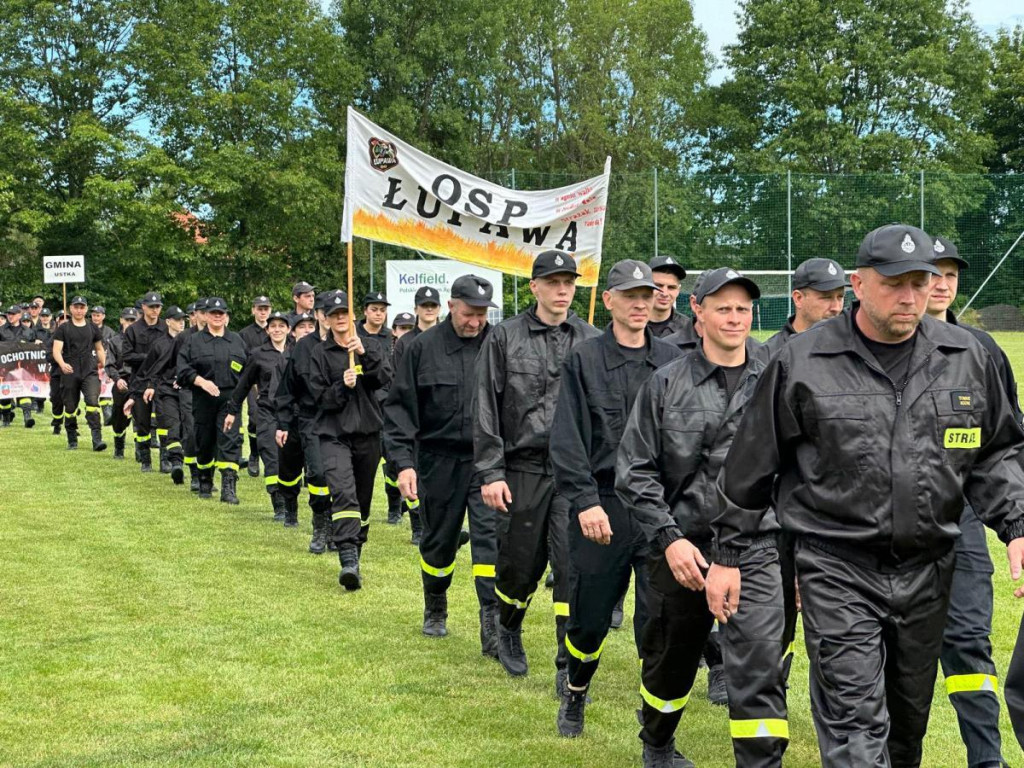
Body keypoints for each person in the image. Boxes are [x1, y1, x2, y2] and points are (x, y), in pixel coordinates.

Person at [712, 224, 1024, 768]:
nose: (910, 297)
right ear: (858, 282)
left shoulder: (966, 355)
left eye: (921, 283)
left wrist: (1018, 524)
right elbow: (752, 465)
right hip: (836, 565)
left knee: (905, 731)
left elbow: (996, 453)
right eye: (894, 283)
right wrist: (728, 555)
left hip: (929, 567)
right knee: (857, 729)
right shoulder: (802, 361)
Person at [617, 268, 788, 768]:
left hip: (757, 548)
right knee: (671, 663)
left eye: (742, 309)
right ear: (699, 311)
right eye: (723, 308)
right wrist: (669, 539)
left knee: (760, 668)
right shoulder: (666, 383)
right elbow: (635, 471)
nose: (735, 318)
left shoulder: (777, 375)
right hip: (683, 549)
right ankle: (658, 743)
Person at [550, 260, 681, 738]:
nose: (641, 304)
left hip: (657, 510)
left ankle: (654, 730)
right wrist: (585, 502)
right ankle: (576, 688)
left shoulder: (671, 358)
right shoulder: (583, 360)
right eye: (630, 296)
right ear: (609, 301)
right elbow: (566, 439)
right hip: (602, 504)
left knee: (660, 622)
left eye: (647, 295)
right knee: (589, 620)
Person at [475, 250, 600, 683]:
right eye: (553, 282)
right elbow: (486, 407)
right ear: (534, 287)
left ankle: (568, 659)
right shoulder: (505, 337)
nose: (562, 290)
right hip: (521, 470)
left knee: (572, 568)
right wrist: (490, 472)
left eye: (569, 283)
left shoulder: (590, 338)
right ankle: (507, 626)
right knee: (519, 565)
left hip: (573, 474)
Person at [924, 236, 1019, 768]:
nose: (940, 284)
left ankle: (987, 759)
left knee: (967, 641)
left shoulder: (982, 349)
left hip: (961, 521)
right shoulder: (880, 347)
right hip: (885, 523)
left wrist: (1015, 520)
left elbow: (1006, 442)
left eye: (949, 274)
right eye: (930, 273)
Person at [384, 275, 498, 646]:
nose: (475, 322)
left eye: (482, 315)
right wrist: (403, 463)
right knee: (438, 542)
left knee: (491, 543)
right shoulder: (421, 348)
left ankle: (491, 623)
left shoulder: (498, 346)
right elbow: (400, 410)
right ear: (451, 306)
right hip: (437, 460)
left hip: (488, 464)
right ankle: (435, 605)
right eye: (469, 313)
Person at [309, 290, 390, 590]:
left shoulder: (369, 346)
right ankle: (347, 558)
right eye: (334, 314)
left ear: (352, 316)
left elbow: (384, 379)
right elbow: (320, 398)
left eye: (345, 313)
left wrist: (365, 357)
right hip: (334, 434)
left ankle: (357, 549)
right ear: (327, 320)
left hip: (368, 432)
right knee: (343, 493)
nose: (340, 318)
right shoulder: (319, 354)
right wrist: (342, 386)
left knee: (363, 501)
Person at [227, 310, 300, 522]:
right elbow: (244, 385)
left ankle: (290, 502)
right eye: (273, 326)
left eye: (281, 326)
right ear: (267, 330)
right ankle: (278, 505)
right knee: (271, 457)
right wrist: (232, 410)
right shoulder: (258, 354)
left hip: (292, 414)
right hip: (267, 412)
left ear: (288, 329)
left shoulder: (297, 352)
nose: (277, 329)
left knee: (289, 461)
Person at [275, 292, 333, 553]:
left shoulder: (353, 343)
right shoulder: (303, 347)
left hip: (345, 420)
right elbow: (287, 388)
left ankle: (340, 529)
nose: (333, 318)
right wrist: (284, 423)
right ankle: (321, 527)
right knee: (319, 474)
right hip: (311, 418)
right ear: (319, 315)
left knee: (344, 479)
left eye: (340, 313)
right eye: (328, 312)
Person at [177, 297, 247, 504]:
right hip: (203, 398)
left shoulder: (237, 340)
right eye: (213, 313)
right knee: (205, 441)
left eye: (221, 313)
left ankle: (229, 487)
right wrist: (200, 381)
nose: (217, 317)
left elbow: (249, 369)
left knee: (230, 440)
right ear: (205, 316)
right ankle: (205, 479)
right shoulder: (193, 341)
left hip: (230, 400)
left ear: (227, 317)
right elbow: (182, 370)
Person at [391, 286, 442, 544]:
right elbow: (400, 383)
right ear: (416, 309)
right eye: (424, 305)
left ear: (440, 309)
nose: (429, 309)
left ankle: (437, 525)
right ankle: (417, 525)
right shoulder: (405, 343)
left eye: (433, 305)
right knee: (414, 476)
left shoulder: (449, 338)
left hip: (441, 420)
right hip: (415, 418)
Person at [761, 258, 847, 360]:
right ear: (798, 298)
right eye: (826, 297)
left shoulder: (853, 346)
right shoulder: (769, 355)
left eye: (840, 297)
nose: (836, 308)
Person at [52, 296, 108, 451]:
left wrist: (107, 367)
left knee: (92, 402)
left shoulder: (92, 328)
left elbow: (99, 349)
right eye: (76, 307)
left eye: (82, 307)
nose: (79, 310)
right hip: (70, 370)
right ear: (71, 308)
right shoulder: (64, 328)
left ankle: (97, 439)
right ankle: (72, 438)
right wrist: (62, 364)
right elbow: (56, 350)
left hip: (89, 370)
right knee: (70, 407)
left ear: (86, 309)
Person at [122, 291, 167, 471]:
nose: (155, 310)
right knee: (142, 422)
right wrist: (150, 357)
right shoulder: (133, 329)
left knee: (164, 421)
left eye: (158, 307)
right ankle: (146, 459)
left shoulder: (165, 328)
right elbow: (126, 356)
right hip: (140, 380)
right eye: (151, 307)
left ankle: (166, 459)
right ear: (143, 307)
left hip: (162, 381)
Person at [382, 311, 416, 525]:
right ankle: (394, 504)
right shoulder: (389, 355)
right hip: (386, 414)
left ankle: (417, 522)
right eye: (402, 328)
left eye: (409, 328)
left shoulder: (420, 349)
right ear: (394, 332)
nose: (406, 333)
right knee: (391, 465)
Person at [239, 295, 272, 478]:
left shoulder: (275, 329)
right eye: (259, 308)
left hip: (273, 383)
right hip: (253, 383)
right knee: (254, 418)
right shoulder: (245, 334)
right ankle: (254, 453)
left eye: (266, 308)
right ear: (253, 310)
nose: (263, 312)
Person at [105, 307, 138, 459]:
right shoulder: (114, 341)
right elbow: (110, 364)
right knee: (119, 418)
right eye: (128, 320)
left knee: (142, 417)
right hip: (121, 382)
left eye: (133, 320)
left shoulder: (142, 341)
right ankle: (119, 447)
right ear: (121, 320)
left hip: (138, 382)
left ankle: (142, 453)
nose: (130, 323)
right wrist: (117, 379)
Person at [647, 255, 689, 338]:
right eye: (658, 286)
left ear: (678, 290)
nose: (665, 293)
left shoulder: (689, 329)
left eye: (671, 287)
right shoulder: (629, 325)